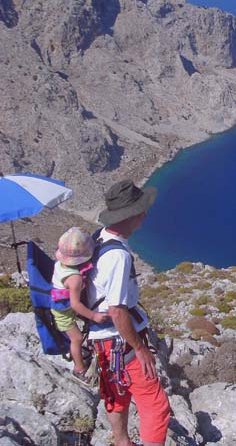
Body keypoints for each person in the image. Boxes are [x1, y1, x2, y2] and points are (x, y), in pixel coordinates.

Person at [86, 179, 171, 446]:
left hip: (100, 342)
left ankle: (122, 442)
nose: (145, 214)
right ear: (132, 215)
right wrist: (140, 347)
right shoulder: (118, 257)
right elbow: (117, 311)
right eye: (141, 209)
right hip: (121, 343)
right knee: (156, 406)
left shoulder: (99, 237)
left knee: (116, 394)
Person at [51, 227, 109, 384]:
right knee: (76, 339)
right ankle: (79, 369)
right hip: (63, 313)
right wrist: (94, 316)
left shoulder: (61, 265)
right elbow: (75, 305)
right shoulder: (74, 278)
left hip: (63, 306)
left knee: (78, 336)